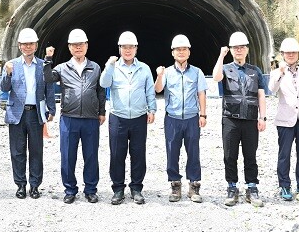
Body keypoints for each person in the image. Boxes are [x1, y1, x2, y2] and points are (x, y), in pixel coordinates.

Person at [44, 29, 106, 204]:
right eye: (74, 45)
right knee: (68, 156)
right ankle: (70, 189)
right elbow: (47, 78)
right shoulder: (63, 68)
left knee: (91, 155)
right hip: (69, 118)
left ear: (87, 46)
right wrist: (48, 59)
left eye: (81, 44)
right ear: (69, 47)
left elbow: (100, 92)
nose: (78, 47)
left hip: (90, 118)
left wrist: (102, 112)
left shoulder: (95, 67)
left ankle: (91, 190)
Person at [99, 31, 156, 205]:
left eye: (131, 47)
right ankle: (118, 189)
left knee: (138, 154)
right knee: (117, 154)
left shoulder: (144, 68)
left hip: (139, 117)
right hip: (118, 117)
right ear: (119, 48)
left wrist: (152, 109)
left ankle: (136, 188)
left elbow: (149, 90)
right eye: (124, 47)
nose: (128, 50)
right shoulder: (113, 67)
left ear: (136, 49)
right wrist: (109, 65)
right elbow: (104, 83)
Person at [0, 28, 56, 200]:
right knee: (17, 151)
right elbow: (4, 88)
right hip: (17, 112)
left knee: (36, 150)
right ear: (19, 46)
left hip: (35, 112)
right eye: (24, 44)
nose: (28, 47)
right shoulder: (12, 65)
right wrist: (8, 74)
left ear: (36, 45)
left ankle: (35, 185)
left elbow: (49, 87)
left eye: (31, 43)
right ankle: (21, 185)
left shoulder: (42, 65)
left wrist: (51, 108)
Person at [212, 31, 266, 207]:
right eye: (236, 48)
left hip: (250, 119)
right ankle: (232, 187)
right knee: (230, 155)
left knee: (250, 155)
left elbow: (261, 95)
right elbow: (215, 77)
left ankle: (252, 187)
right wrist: (221, 56)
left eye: (242, 47)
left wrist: (262, 117)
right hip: (230, 119)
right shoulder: (226, 69)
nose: (239, 50)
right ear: (232, 50)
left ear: (247, 49)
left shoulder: (255, 71)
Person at [154, 34, 207, 203]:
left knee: (193, 152)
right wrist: (159, 75)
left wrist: (203, 114)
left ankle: (194, 186)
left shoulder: (197, 72)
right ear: (172, 53)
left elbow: (201, 94)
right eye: (178, 49)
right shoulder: (167, 72)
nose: (181, 52)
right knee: (172, 152)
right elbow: (158, 89)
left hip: (192, 118)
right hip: (172, 119)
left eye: (184, 49)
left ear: (189, 52)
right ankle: (175, 185)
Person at [268, 38, 299, 201]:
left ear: (298, 55)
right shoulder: (277, 73)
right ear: (282, 54)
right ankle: (284, 185)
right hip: (285, 119)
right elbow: (272, 90)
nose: (290, 55)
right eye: (287, 53)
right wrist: (281, 72)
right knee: (284, 153)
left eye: (293, 52)